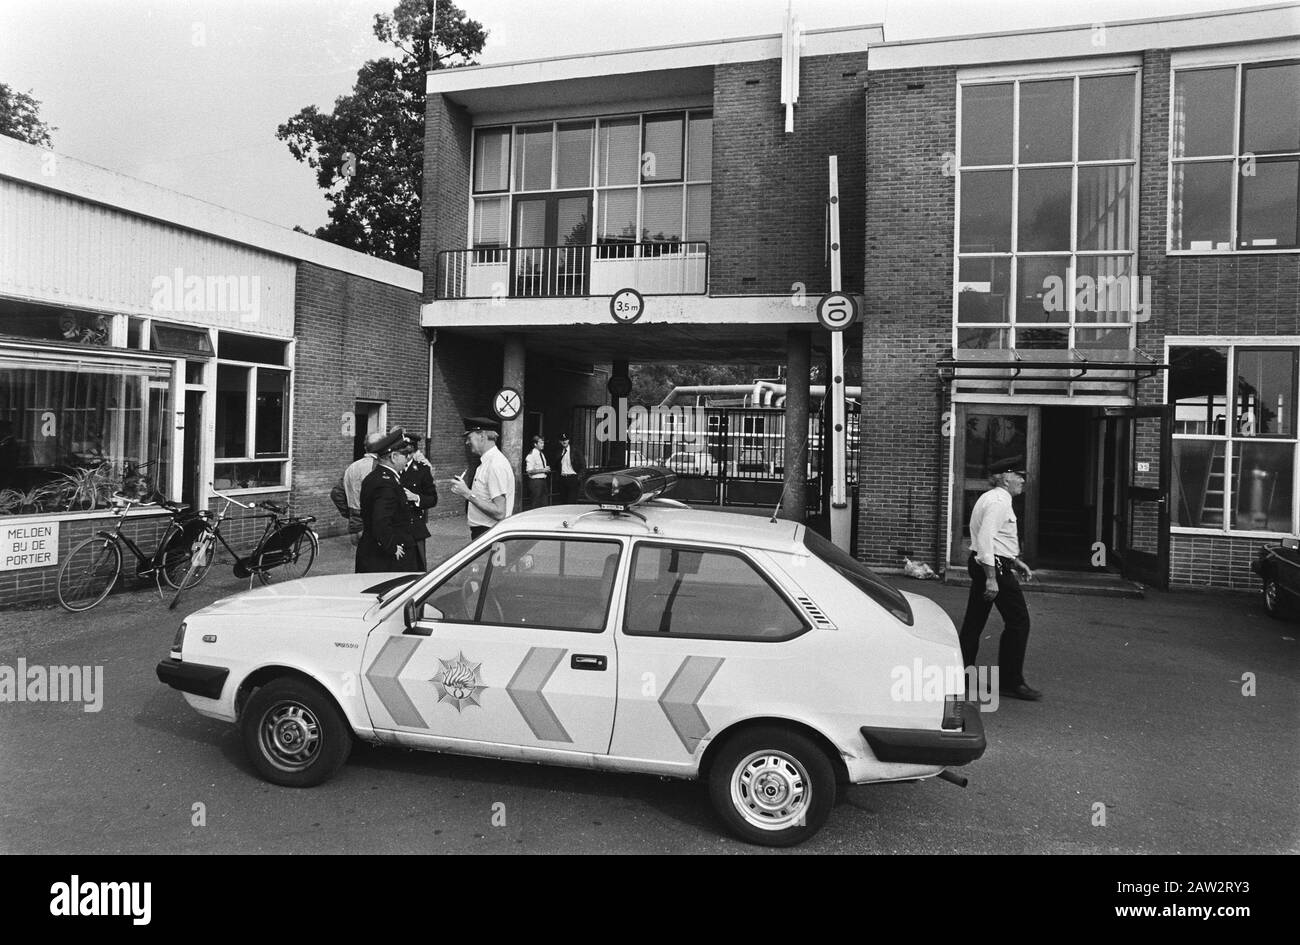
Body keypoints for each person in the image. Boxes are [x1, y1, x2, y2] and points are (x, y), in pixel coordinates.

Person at [958, 467, 1041, 701]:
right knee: (1019, 621)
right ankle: (1010, 681)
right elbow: (985, 538)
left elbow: (996, 538)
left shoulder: (991, 497)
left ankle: (963, 673)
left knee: (975, 620)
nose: (1023, 481)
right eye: (1019, 477)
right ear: (1006, 479)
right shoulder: (999, 502)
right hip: (992, 566)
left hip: (989, 562)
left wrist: (1015, 561)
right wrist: (992, 577)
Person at [355, 428, 429, 573]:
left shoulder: (378, 476)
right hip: (385, 559)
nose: (408, 458)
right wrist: (392, 546)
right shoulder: (386, 483)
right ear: (394, 456)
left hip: (375, 552)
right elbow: (380, 520)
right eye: (405, 454)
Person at [448, 428, 515, 539]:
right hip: (485, 531)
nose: (467, 442)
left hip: (489, 533)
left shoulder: (495, 465)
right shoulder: (487, 462)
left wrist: (467, 493)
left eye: (470, 438)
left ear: (482, 436)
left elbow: (499, 512)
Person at [331, 431, 384, 547]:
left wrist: (349, 513)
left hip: (355, 521)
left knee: (361, 559)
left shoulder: (352, 467)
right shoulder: (380, 468)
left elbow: (336, 493)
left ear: (365, 447)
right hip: (372, 522)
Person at [398, 433, 438, 571]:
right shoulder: (393, 469)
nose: (405, 455)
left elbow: (433, 499)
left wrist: (416, 498)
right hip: (395, 527)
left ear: (412, 453)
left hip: (414, 526)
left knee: (417, 567)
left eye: (407, 452)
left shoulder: (422, 470)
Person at [555, 433, 585, 504]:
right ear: (560, 441)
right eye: (562, 440)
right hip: (562, 479)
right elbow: (556, 465)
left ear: (569, 440)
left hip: (573, 479)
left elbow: (583, 466)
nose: (564, 441)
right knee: (563, 502)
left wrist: (578, 478)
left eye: (566, 440)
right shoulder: (559, 451)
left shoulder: (575, 451)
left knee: (571, 502)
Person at [525, 434, 551, 508]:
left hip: (543, 481)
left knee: (544, 504)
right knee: (536, 504)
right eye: (541, 443)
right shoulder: (531, 455)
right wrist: (543, 470)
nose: (543, 445)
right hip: (536, 483)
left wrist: (545, 469)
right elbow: (529, 471)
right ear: (535, 444)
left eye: (543, 443)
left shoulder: (541, 454)